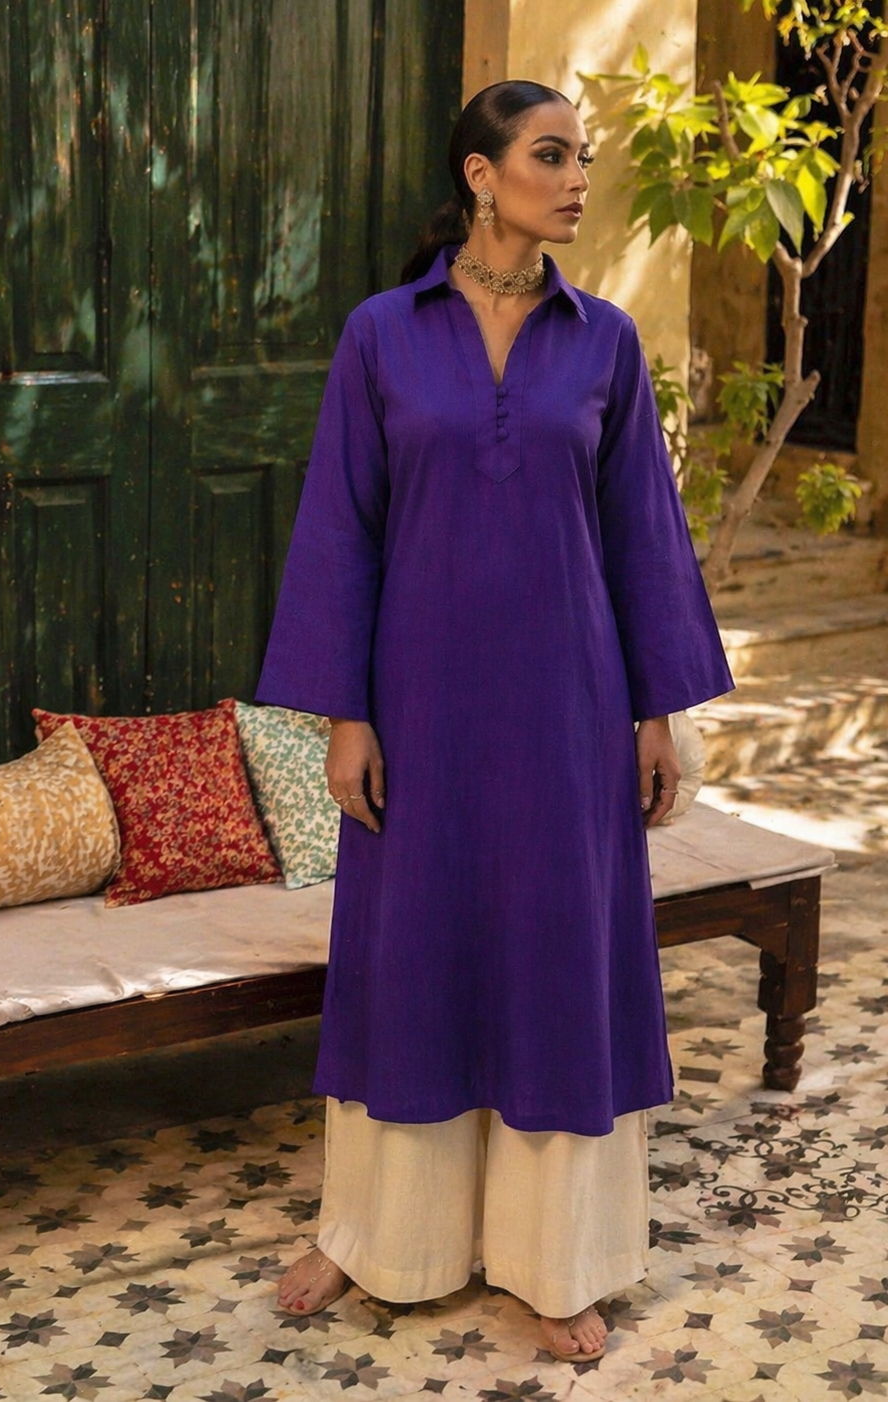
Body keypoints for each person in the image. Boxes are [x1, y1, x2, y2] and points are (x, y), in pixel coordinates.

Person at [255, 79, 733, 1363]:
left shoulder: (604, 341)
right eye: (551, 156)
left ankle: (555, 1259)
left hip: (571, 707)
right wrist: (347, 716)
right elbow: (342, 528)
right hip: (419, 703)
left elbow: (642, 536)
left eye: (582, 158)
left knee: (557, 956)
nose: (577, 179)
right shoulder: (382, 335)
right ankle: (373, 1235)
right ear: (481, 175)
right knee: (406, 952)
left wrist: (656, 713)